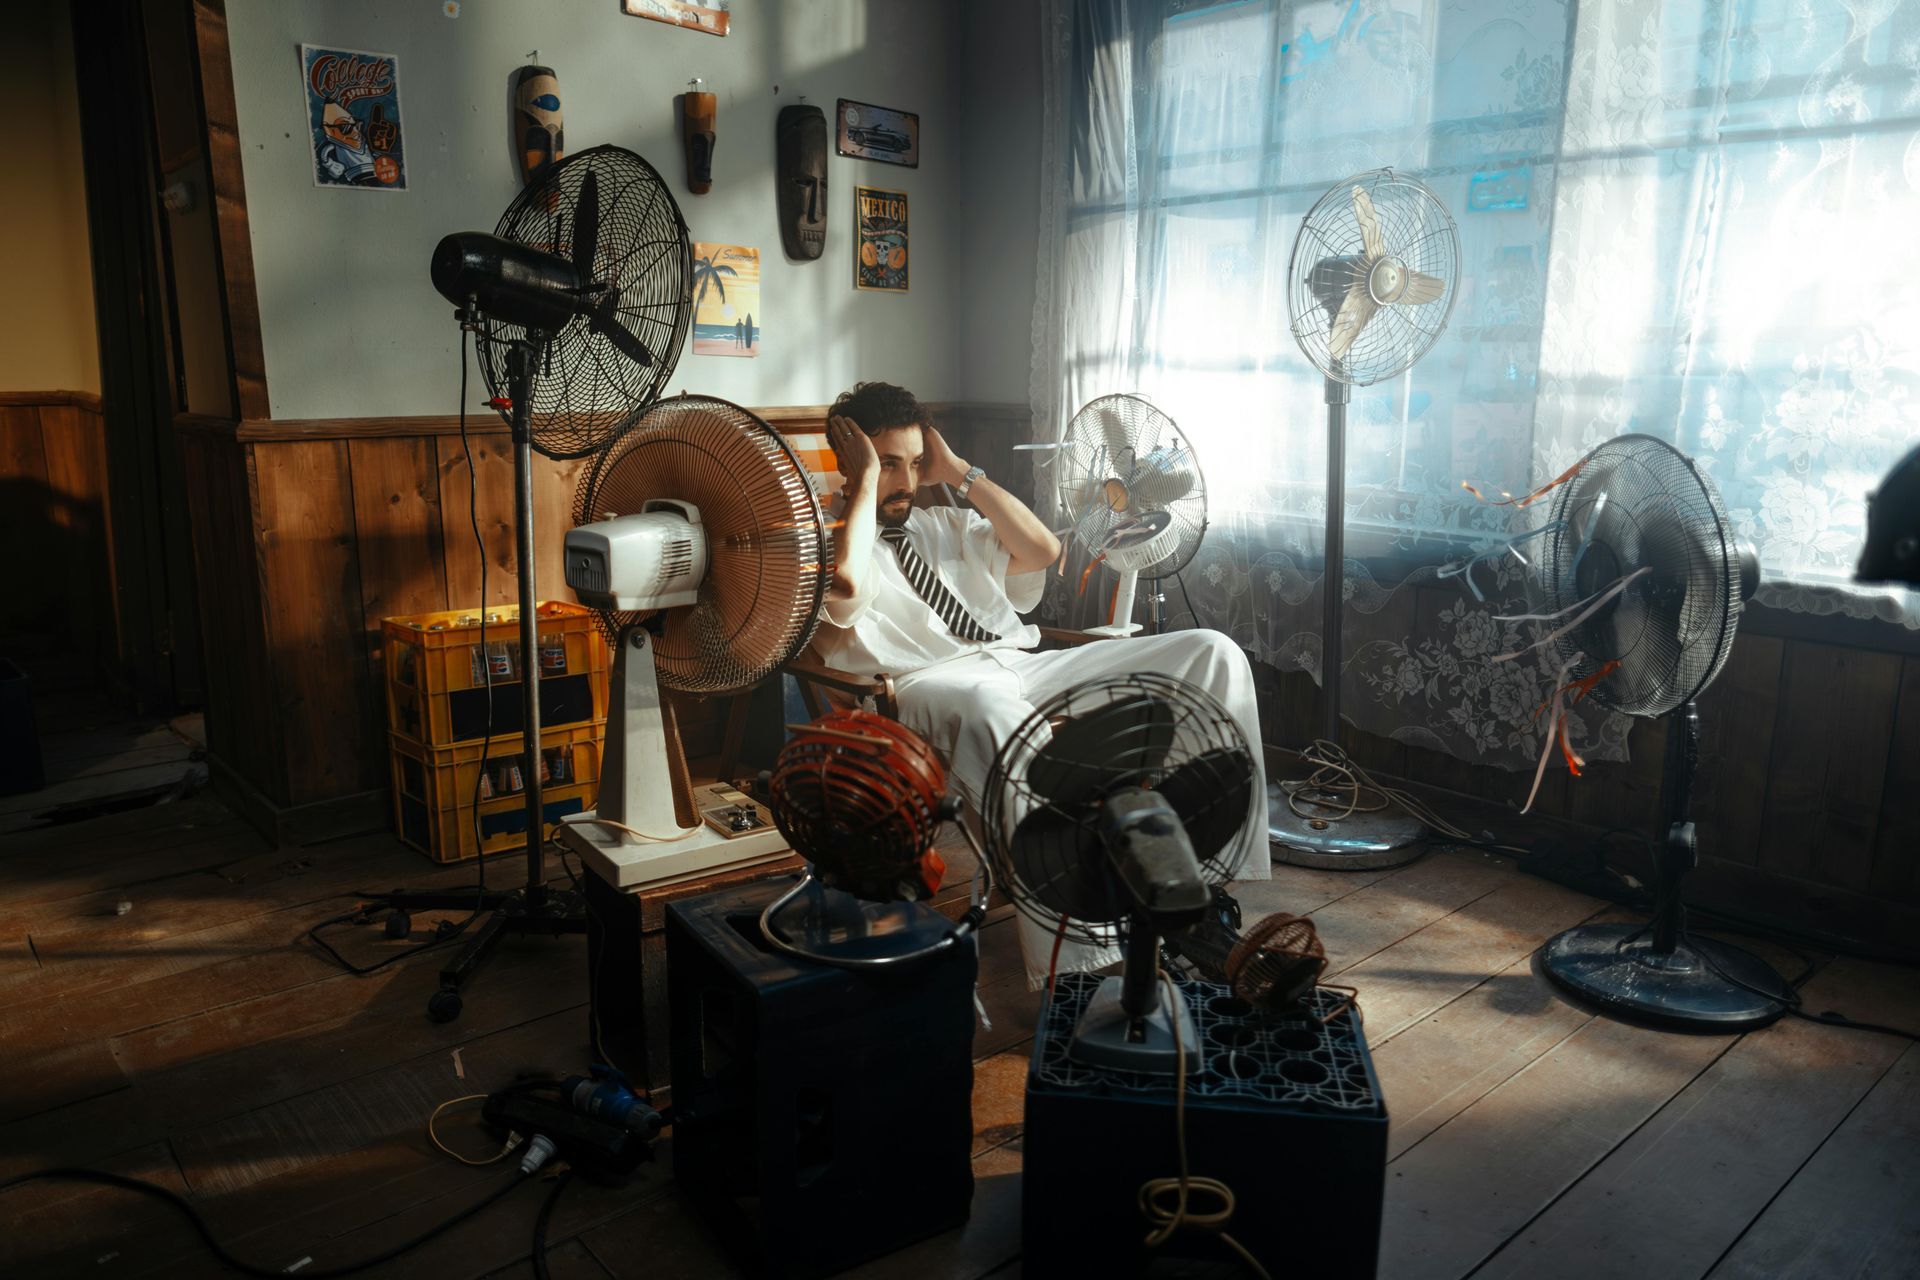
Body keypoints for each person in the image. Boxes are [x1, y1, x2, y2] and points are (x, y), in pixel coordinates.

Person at [814, 381, 1269, 987]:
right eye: (888, 463)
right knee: (988, 706)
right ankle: (1085, 964)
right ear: (851, 463)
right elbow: (845, 584)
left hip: (1020, 662)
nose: (905, 479)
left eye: (914, 462)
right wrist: (866, 483)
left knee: (1212, 653)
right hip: (921, 686)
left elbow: (1043, 550)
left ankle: (1198, 886)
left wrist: (958, 471)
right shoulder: (816, 540)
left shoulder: (944, 522)